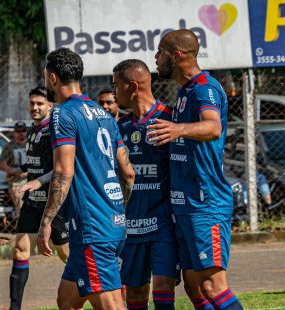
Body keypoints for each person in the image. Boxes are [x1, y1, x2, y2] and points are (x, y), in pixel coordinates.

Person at [149, 29, 243, 310]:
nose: (156, 57)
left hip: (205, 201)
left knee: (214, 285)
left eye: (160, 51)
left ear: (176, 56)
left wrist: (178, 129)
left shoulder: (205, 88)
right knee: (193, 284)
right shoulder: (185, 91)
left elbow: (213, 127)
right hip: (185, 203)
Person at [37, 47, 135, 310]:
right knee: (67, 300)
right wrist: (117, 210)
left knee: (111, 305)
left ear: (53, 78)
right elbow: (128, 173)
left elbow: (63, 172)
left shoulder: (62, 114)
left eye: (47, 76)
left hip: (92, 227)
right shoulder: (104, 114)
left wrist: (46, 221)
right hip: (112, 222)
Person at [113, 59, 178, 310]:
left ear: (132, 86)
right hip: (131, 225)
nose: (114, 91)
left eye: (116, 85)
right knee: (136, 290)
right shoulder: (121, 127)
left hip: (163, 223)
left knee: (162, 286)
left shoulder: (169, 120)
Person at [5, 87, 69, 310]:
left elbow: (62, 168)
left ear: (50, 106)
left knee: (66, 255)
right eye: (32, 103)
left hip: (54, 202)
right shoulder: (33, 129)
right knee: (20, 250)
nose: (34, 107)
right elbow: (37, 161)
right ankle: (15, 307)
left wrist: (39, 181)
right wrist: (20, 170)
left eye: (40, 104)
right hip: (33, 201)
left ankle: (92, 294)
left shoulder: (55, 130)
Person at [0, 121, 28, 214]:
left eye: (23, 131)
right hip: (18, 180)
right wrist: (11, 171)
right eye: (18, 131)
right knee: (21, 207)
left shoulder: (31, 144)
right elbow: (2, 164)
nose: (21, 134)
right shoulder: (9, 146)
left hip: (33, 177)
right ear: (14, 132)